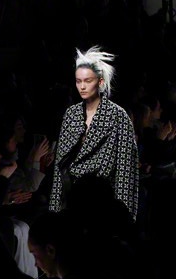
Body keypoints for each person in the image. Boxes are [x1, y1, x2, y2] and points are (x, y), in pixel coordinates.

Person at [49, 45, 139, 221]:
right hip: (73, 202)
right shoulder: (71, 115)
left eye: (88, 81)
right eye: (78, 81)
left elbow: (125, 170)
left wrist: (123, 217)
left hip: (105, 204)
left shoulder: (118, 116)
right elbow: (60, 167)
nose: (82, 86)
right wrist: (55, 213)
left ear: (100, 82)